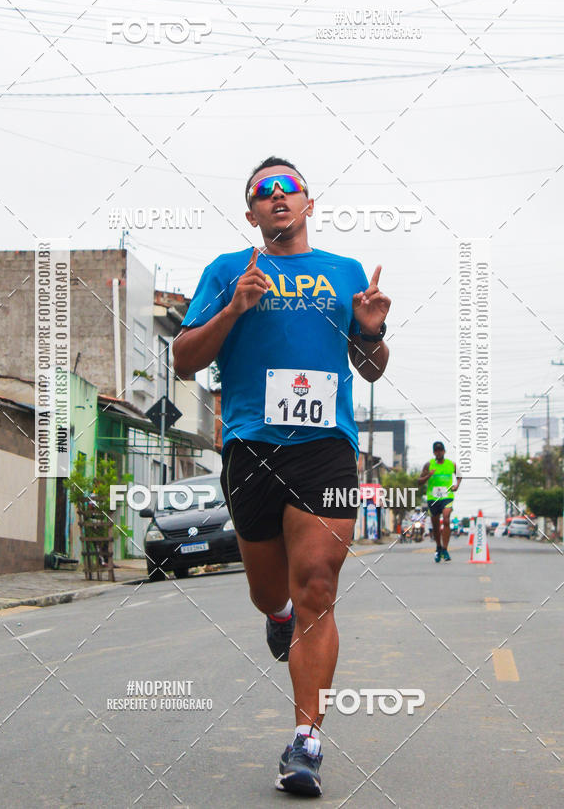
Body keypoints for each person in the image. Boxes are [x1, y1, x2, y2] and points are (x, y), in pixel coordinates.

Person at [173, 157, 391, 797]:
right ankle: (279, 612)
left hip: (326, 447)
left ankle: (306, 743)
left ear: (308, 202)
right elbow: (184, 360)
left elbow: (370, 367)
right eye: (261, 192)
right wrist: (234, 309)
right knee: (271, 594)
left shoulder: (344, 274)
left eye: (286, 187)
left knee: (319, 585)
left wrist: (373, 334)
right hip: (251, 448)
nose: (276, 198)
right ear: (250, 214)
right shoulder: (227, 271)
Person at [418, 442, 462, 562]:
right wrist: (428, 475)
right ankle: (438, 547)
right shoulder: (429, 465)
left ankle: (445, 549)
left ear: (444, 451)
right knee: (436, 524)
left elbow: (459, 475)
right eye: (436, 451)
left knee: (446, 518)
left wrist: (457, 485)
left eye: (440, 450)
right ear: (434, 452)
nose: (439, 452)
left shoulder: (451, 464)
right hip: (433, 498)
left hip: (447, 496)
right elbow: (419, 481)